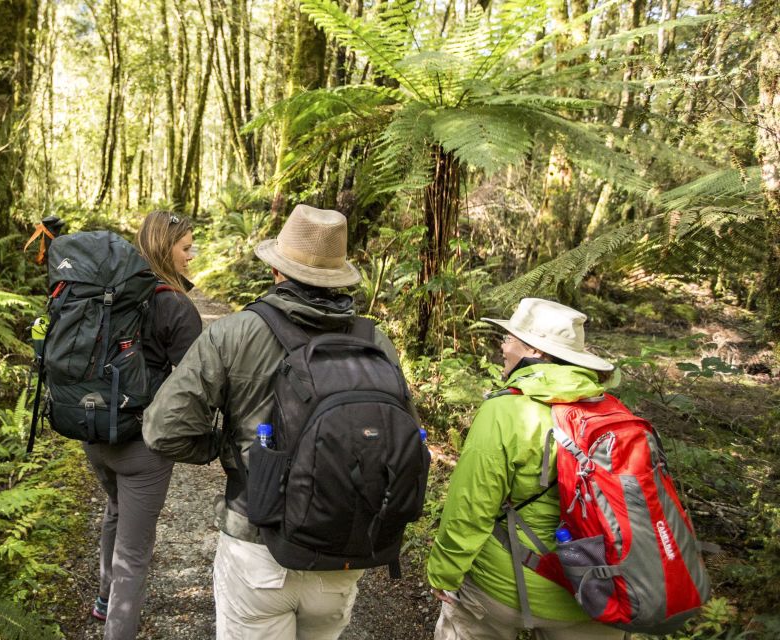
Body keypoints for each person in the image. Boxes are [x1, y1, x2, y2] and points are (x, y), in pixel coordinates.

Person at [143, 204, 416, 640]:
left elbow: (163, 430)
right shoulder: (376, 343)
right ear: (339, 276)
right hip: (345, 551)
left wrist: (224, 447)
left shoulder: (232, 333)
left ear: (277, 271)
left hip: (256, 545)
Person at [426, 297, 627, 640]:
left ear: (538, 353)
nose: (502, 347)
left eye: (509, 339)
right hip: (594, 592)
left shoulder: (505, 412)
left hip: (503, 589)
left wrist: (444, 574)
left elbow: (471, 508)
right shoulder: (610, 411)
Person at [84, 210, 202, 640]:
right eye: (186, 247)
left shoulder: (104, 293)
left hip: (93, 430)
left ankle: (103, 597)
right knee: (134, 555)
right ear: (163, 247)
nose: (192, 255)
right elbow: (194, 385)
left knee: (115, 509)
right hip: (141, 446)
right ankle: (118, 627)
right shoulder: (174, 304)